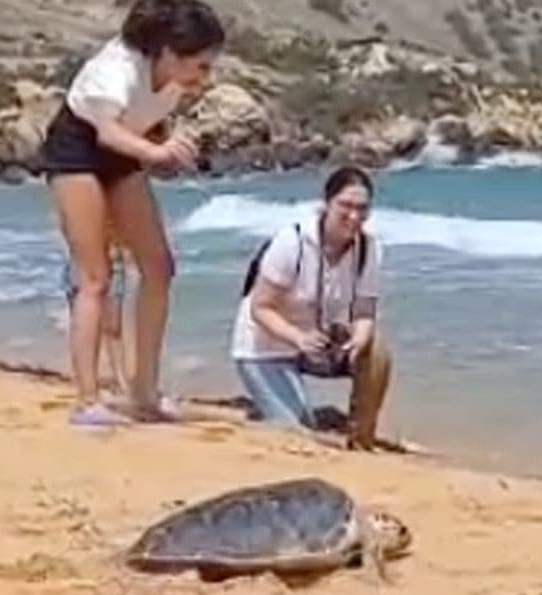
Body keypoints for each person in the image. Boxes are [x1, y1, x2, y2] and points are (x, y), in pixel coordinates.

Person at [41, 0, 222, 429]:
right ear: (168, 53)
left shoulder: (174, 82)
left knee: (159, 266)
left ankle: (144, 390)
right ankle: (87, 399)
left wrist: (168, 139)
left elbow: (146, 120)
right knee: (95, 277)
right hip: (77, 151)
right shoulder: (115, 70)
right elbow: (107, 130)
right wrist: (158, 154)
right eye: (200, 66)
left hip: (124, 156)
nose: (205, 78)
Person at [230, 166, 392, 450]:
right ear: (326, 204)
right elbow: (261, 308)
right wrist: (298, 338)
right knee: (299, 433)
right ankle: (268, 410)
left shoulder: (369, 248)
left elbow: (365, 311)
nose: (354, 216)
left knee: (377, 351)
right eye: (346, 206)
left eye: (362, 209)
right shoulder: (292, 242)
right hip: (266, 346)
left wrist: (359, 339)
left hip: (317, 339)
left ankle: (360, 437)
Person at [61, 241, 136, 402]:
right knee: (84, 328)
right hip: (84, 262)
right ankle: (87, 385)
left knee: (114, 327)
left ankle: (120, 381)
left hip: (113, 261)